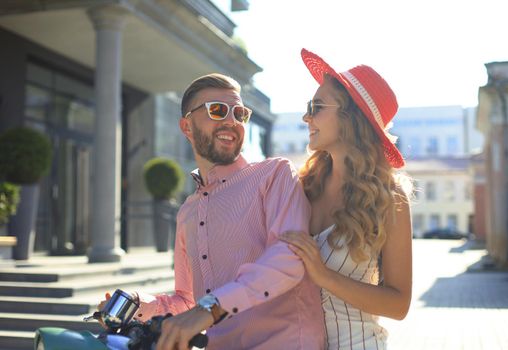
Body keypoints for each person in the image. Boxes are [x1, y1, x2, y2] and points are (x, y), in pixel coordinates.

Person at [100, 73, 325, 350]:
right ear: (187, 126)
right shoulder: (188, 213)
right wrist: (139, 305)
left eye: (239, 113)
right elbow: (188, 301)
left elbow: (288, 258)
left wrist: (209, 309)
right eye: (217, 110)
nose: (231, 120)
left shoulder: (275, 174)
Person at [280, 49, 413, 350]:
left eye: (316, 106)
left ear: (350, 117)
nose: (306, 116)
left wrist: (324, 275)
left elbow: (399, 304)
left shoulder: (390, 198)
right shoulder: (303, 186)